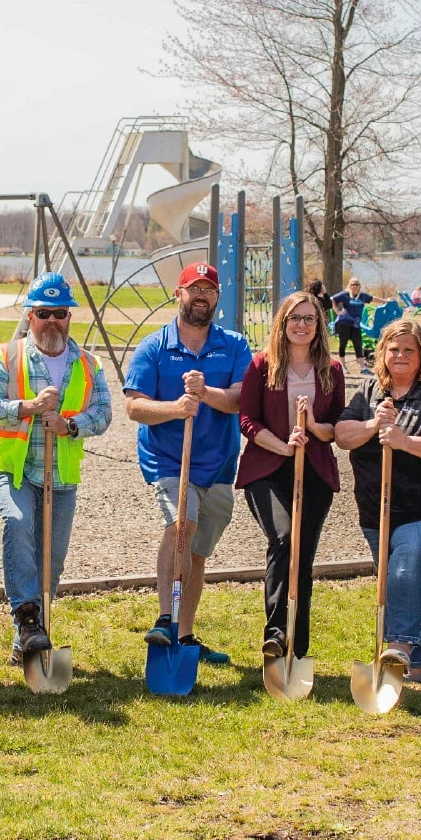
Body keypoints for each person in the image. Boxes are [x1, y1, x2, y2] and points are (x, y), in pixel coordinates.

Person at [0, 273, 112, 662]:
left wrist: (70, 426)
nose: (52, 321)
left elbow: (103, 414)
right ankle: (26, 616)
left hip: (62, 477)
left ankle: (29, 640)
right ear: (30, 316)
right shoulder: (6, 356)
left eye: (59, 313)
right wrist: (28, 408)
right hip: (14, 468)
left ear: (69, 316)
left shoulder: (88, 364)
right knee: (18, 524)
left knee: (50, 563)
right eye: (43, 313)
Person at [124, 263, 251, 664]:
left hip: (217, 463)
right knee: (181, 525)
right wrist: (177, 408)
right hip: (168, 460)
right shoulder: (154, 347)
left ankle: (185, 633)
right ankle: (165, 616)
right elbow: (134, 406)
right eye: (193, 288)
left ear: (216, 298)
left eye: (209, 290)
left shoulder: (234, 345)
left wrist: (205, 392)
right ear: (178, 294)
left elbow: (238, 400)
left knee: (196, 552)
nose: (201, 295)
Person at [333, 319, 421, 685]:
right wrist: (372, 427)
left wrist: (404, 441)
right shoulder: (368, 392)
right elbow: (342, 435)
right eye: (394, 349)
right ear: (383, 353)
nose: (401, 355)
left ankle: (397, 651)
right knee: (401, 582)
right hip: (377, 510)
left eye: (409, 349)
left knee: (405, 571)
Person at [237, 290, 345, 665]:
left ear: (319, 326)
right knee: (283, 539)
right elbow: (247, 420)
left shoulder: (332, 370)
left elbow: (339, 427)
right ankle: (276, 634)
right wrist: (283, 446)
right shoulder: (262, 365)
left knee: (304, 556)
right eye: (294, 318)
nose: (301, 325)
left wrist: (314, 426)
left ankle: (297, 645)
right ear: (282, 324)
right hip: (267, 468)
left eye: (309, 319)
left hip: (313, 468)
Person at [330, 276, 373, 370]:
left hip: (355, 324)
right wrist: (337, 311)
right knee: (343, 344)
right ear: (350, 285)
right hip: (344, 323)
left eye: (357, 284)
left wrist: (386, 301)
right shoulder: (345, 294)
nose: (355, 286)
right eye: (353, 284)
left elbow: (373, 299)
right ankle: (343, 366)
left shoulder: (362, 296)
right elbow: (332, 299)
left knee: (358, 343)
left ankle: (363, 367)